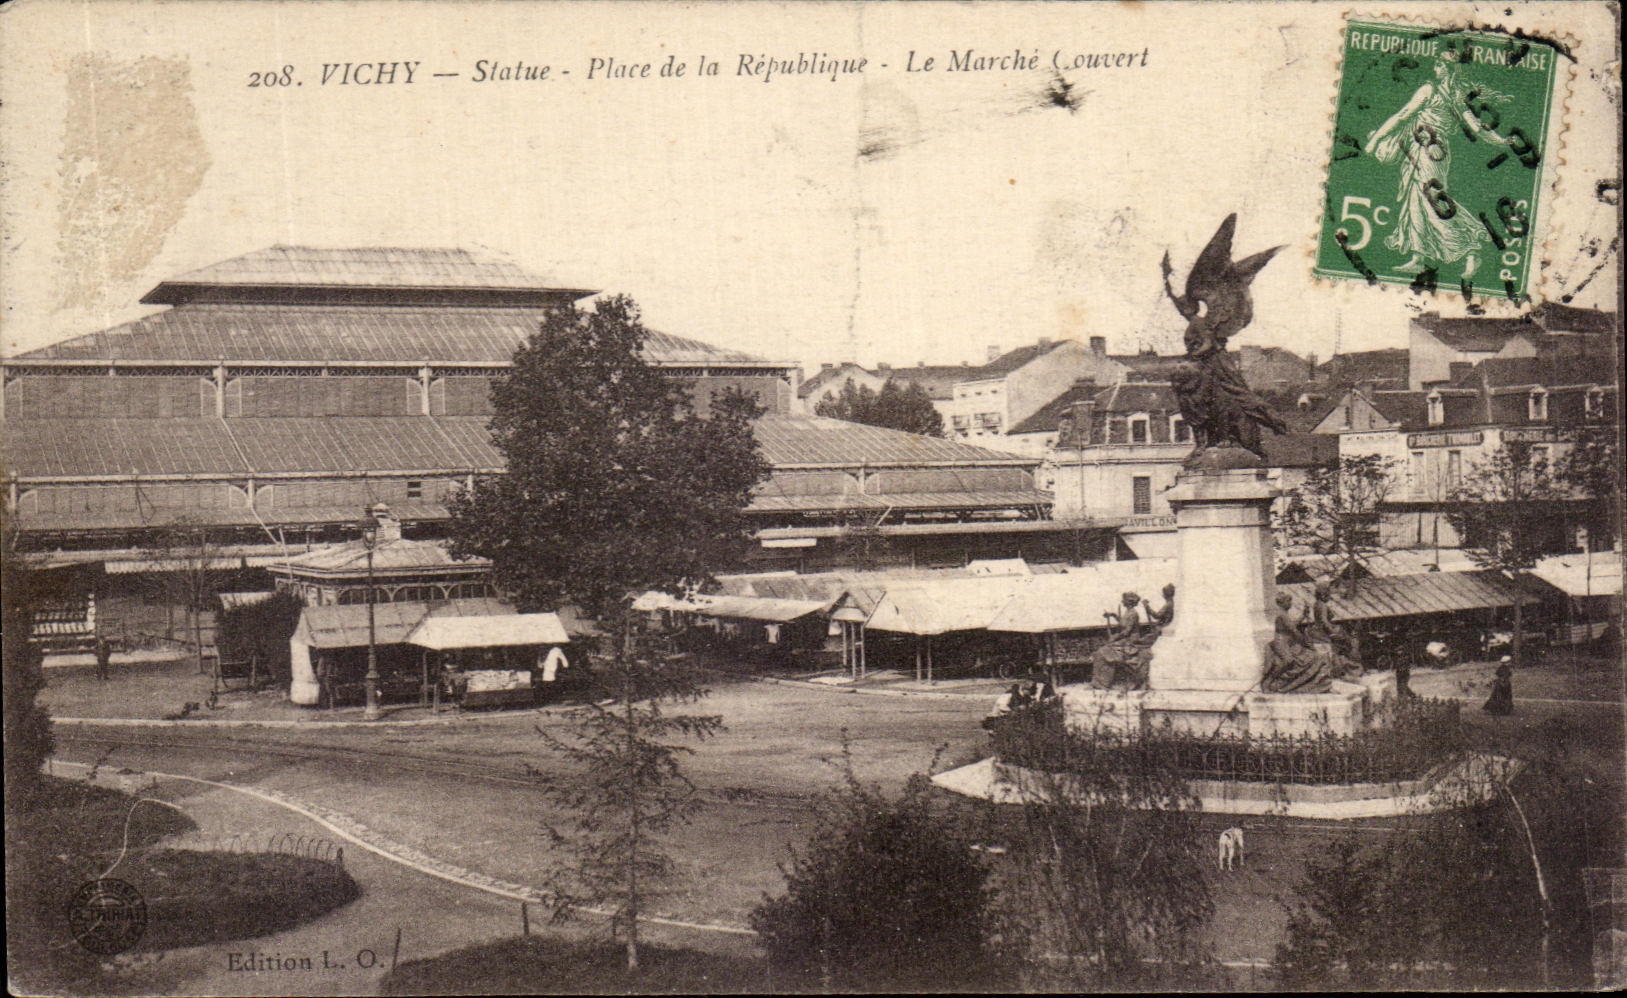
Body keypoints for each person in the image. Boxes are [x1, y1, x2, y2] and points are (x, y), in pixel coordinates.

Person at [1363, 52, 1513, 281]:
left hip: (1432, 149)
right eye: (1437, 64)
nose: (1436, 68)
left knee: (1432, 200)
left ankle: (1471, 249)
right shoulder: (1451, 94)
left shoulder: (1440, 93)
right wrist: (1500, 140)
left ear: (1450, 69)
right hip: (1422, 148)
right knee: (1416, 200)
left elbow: (1404, 115)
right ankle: (1418, 258)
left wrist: (1375, 140)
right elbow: (1474, 127)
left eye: (1441, 64)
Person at [1262, 592, 1343, 694]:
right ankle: (1270, 680)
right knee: (1288, 660)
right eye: (1288, 601)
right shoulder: (1282, 615)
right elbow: (1294, 631)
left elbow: (1292, 625)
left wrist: (1303, 616)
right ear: (1282, 603)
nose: (1290, 603)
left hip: (1289, 642)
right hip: (1281, 643)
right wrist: (1306, 643)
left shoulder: (1284, 614)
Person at [1091, 592, 1152, 690]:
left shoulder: (1133, 614)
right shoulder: (1128, 612)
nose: (1122, 601)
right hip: (1125, 639)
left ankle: (1103, 682)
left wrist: (1115, 637)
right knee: (1103, 651)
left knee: (1103, 652)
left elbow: (1127, 631)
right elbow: (1123, 623)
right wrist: (1113, 615)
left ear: (1129, 602)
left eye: (1123, 600)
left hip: (1130, 641)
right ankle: (1101, 681)